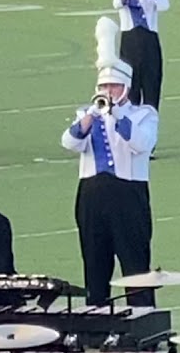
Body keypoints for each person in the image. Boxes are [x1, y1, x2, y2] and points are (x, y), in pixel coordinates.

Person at [61, 18, 158, 307]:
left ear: (126, 88)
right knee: (94, 264)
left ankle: (142, 323)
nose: (108, 91)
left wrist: (115, 115)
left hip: (129, 195)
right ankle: (98, 318)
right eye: (104, 85)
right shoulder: (87, 113)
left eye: (114, 86)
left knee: (135, 266)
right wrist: (91, 116)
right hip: (91, 195)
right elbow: (68, 142)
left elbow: (141, 144)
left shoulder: (143, 114)